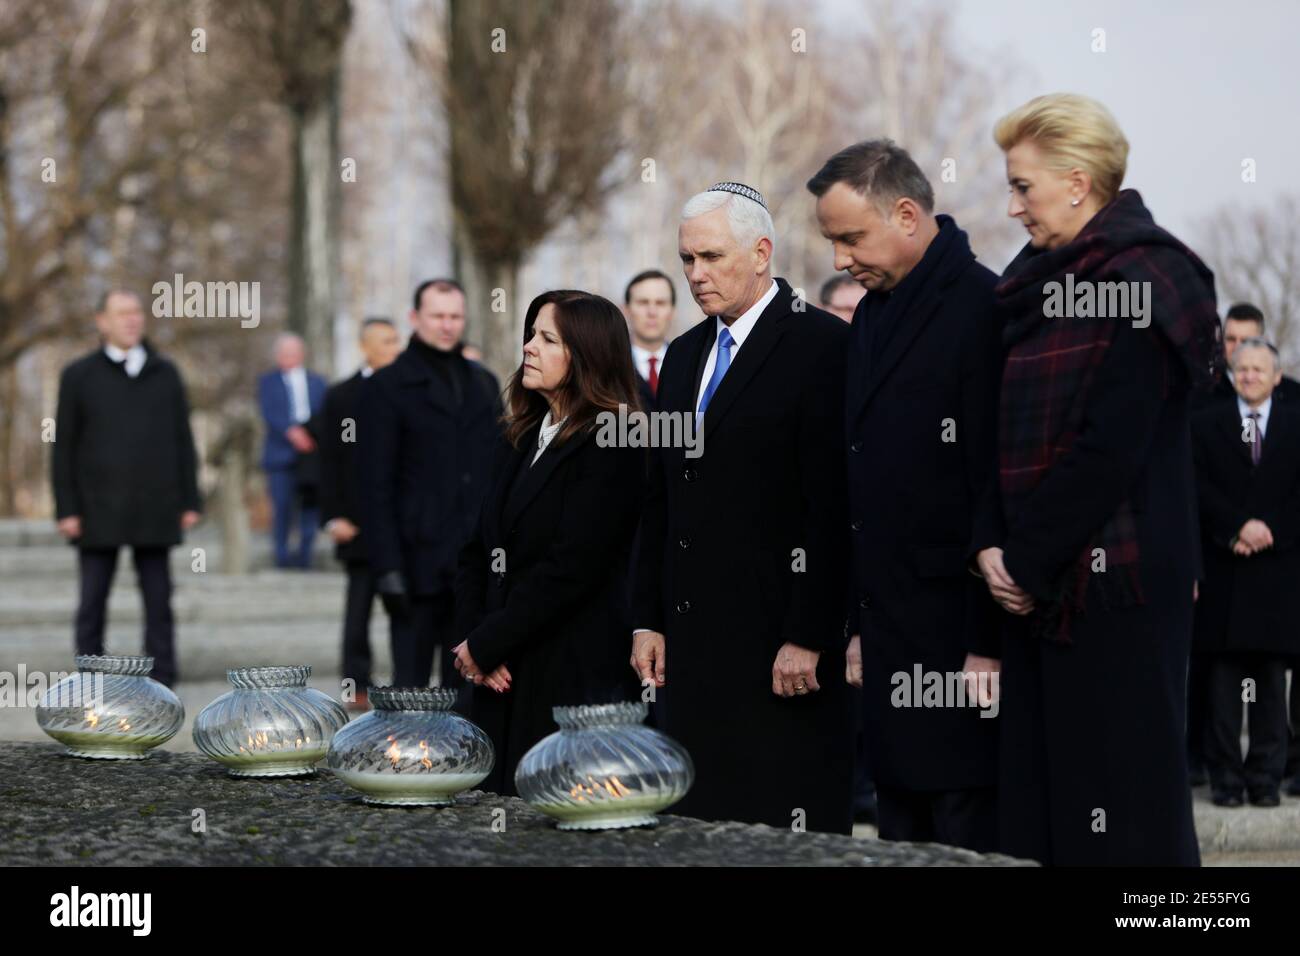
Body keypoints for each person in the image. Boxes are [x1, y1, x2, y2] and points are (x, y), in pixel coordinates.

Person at [978, 93, 1221, 866]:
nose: (1012, 206)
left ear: (1077, 183)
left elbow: (1109, 445)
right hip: (1039, 585)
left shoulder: (1151, 277)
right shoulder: (1033, 279)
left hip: (1119, 584)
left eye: (1024, 186)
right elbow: (993, 427)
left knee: (1130, 806)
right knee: (1049, 801)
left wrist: (1024, 559)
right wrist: (993, 544)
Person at [631, 181, 854, 834]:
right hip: (693, 654)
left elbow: (832, 505)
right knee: (701, 826)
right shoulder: (682, 355)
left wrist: (808, 635)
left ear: (761, 252)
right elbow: (660, 497)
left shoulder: (821, 347)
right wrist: (647, 617)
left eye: (711, 258)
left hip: (782, 654)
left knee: (783, 828)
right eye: (687, 262)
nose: (697, 276)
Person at [808, 140, 1003, 851]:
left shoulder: (986, 306)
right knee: (900, 829)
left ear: (909, 214)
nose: (839, 260)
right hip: (888, 636)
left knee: (962, 830)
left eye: (851, 238)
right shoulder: (873, 314)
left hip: (959, 640)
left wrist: (987, 645)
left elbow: (995, 483)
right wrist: (859, 625)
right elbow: (862, 479)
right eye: (832, 241)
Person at [453, 290, 646, 795]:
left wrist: (490, 641)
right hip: (499, 669)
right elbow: (477, 549)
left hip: (567, 671)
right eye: (530, 335)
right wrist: (478, 642)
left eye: (547, 338)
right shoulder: (519, 432)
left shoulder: (617, 439)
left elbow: (574, 565)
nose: (529, 348)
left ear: (585, 354)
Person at [52, 290, 202, 687]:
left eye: (137, 312)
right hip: (97, 507)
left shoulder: (165, 372)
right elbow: (63, 445)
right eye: (122, 314)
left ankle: (163, 676)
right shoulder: (79, 375)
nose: (132, 320)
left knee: (158, 599)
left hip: (156, 504)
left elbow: (182, 439)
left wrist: (190, 498)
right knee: (92, 600)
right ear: (102, 321)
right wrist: (66, 508)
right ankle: (90, 673)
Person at [359, 279, 502, 688]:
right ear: (414, 318)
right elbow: (375, 485)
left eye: (455, 316)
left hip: (473, 565)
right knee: (410, 691)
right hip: (413, 562)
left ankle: (468, 755)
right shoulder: (385, 388)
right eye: (437, 316)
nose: (447, 325)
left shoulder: (483, 384)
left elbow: (498, 473)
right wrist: (386, 567)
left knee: (469, 689)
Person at [1192, 337, 1300, 807]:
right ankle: (1226, 783)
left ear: (1277, 378)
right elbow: (1195, 490)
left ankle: (1264, 780)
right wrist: (1236, 527)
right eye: (1243, 368)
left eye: (1260, 369)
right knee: (1222, 690)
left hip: (1278, 576)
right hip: (1224, 571)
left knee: (1271, 691)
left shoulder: (1298, 426)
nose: (1251, 375)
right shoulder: (1204, 425)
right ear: (1232, 374)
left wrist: (1270, 529)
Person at [313, 318, 403, 711]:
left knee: (405, 611)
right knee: (358, 613)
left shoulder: (408, 391)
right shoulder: (341, 396)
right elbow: (327, 462)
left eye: (397, 340)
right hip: (357, 525)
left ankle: (408, 684)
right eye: (386, 342)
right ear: (365, 347)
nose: (394, 348)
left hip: (401, 526)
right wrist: (334, 518)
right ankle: (356, 685)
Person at [257, 334, 326, 569]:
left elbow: (325, 413)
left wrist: (310, 435)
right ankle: (282, 557)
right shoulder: (267, 382)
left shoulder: (318, 382)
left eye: (293, 353)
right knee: (282, 507)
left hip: (311, 456)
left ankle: (305, 557)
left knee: (310, 508)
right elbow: (269, 414)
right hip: (280, 456)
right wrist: (292, 432)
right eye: (284, 354)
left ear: (301, 354)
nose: (289, 358)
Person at [623, 269, 675, 411]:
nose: (652, 312)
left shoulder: (691, 364)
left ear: (672, 311)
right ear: (627, 310)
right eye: (643, 302)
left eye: (660, 303)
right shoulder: (610, 368)